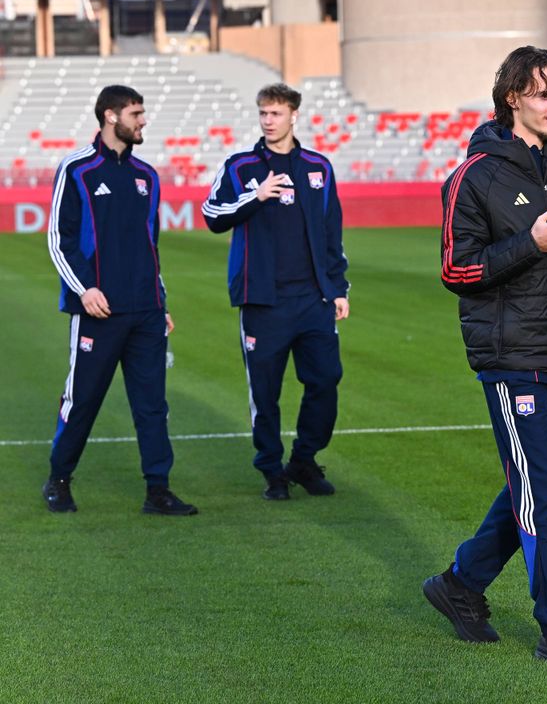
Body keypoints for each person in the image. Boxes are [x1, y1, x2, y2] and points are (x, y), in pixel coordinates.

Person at [423, 46, 547, 666]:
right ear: (513, 98)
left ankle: (459, 584)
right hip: (514, 361)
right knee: (543, 501)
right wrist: (527, 244)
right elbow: (455, 268)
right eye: (544, 94)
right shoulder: (474, 176)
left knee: (536, 489)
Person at [43, 85, 197, 516]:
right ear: (111, 116)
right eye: (136, 113)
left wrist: (160, 301)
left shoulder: (147, 176)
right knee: (83, 399)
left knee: (152, 404)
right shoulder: (76, 169)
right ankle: (58, 479)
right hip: (98, 310)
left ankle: (158, 490)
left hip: (145, 312)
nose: (143, 120)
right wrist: (84, 290)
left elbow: (152, 245)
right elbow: (58, 240)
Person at [201, 83, 349, 501]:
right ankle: (271, 470)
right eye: (263, 113)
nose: (268, 121)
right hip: (262, 301)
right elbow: (212, 214)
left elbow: (330, 232)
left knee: (325, 379)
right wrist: (255, 195)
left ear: (293, 116)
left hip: (314, 300)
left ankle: (303, 459)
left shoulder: (319, 166)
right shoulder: (240, 165)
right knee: (265, 393)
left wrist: (337, 288)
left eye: (276, 113)